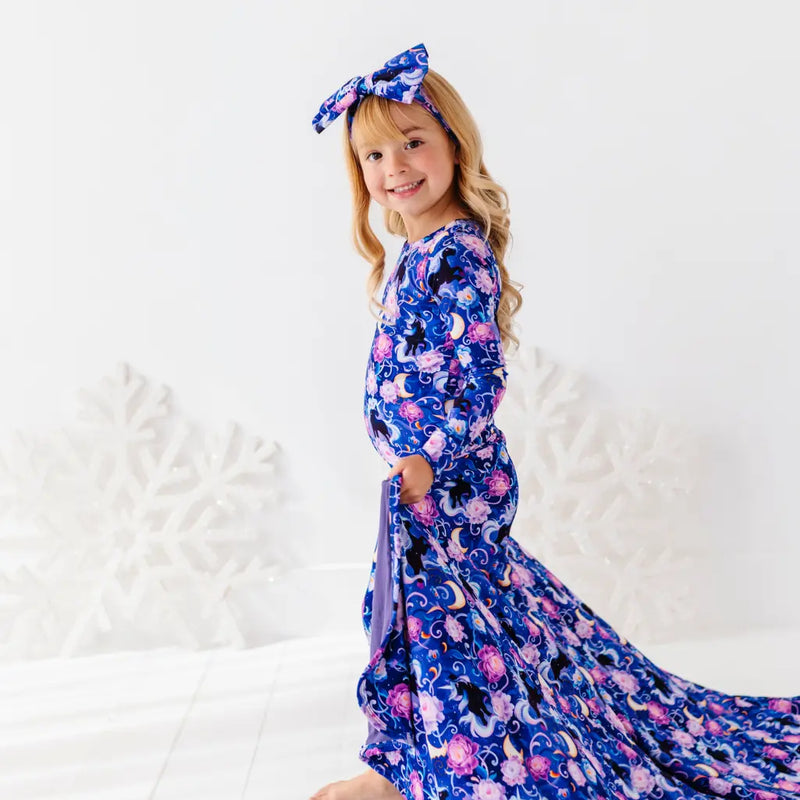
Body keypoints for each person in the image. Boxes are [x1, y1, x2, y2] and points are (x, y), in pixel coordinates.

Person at [309, 43, 799, 800]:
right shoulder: (414, 250)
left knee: (449, 626)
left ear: (453, 145)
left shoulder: (458, 253)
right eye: (374, 153)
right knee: (422, 619)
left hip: (448, 475)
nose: (395, 167)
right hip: (417, 476)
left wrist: (429, 459)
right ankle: (395, 767)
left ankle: (472, 766)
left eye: (414, 142)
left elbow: (475, 376)